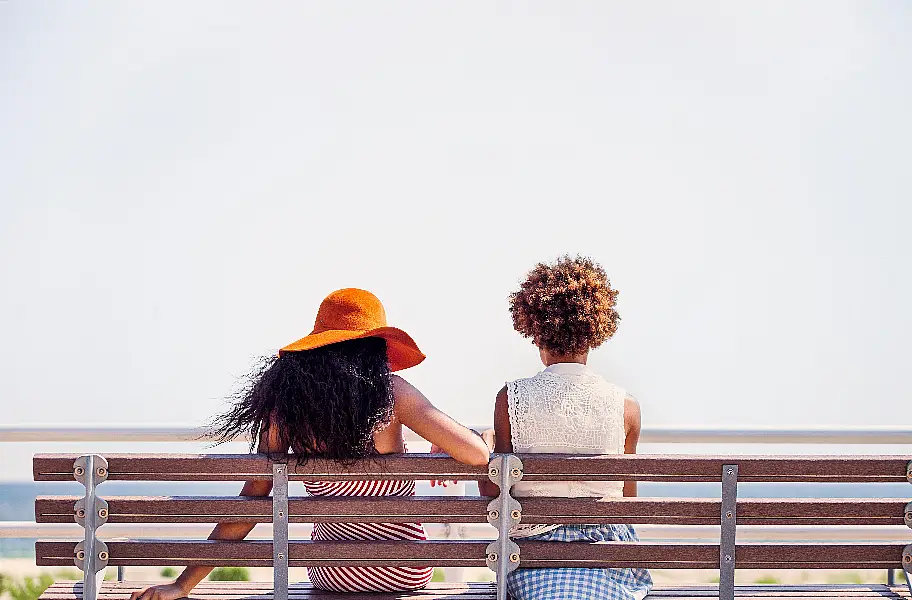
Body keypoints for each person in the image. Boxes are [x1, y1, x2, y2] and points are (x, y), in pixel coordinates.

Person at [130, 288, 491, 600]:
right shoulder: (392, 395)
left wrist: (183, 584)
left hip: (331, 575)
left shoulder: (285, 408)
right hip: (403, 571)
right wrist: (481, 437)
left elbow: (253, 498)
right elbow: (476, 455)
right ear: (374, 346)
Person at [478, 256, 653, 600]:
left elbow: (492, 492)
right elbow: (626, 500)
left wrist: (487, 442)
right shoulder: (626, 407)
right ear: (594, 336)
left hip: (532, 560)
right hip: (605, 559)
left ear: (536, 335)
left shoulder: (510, 399)